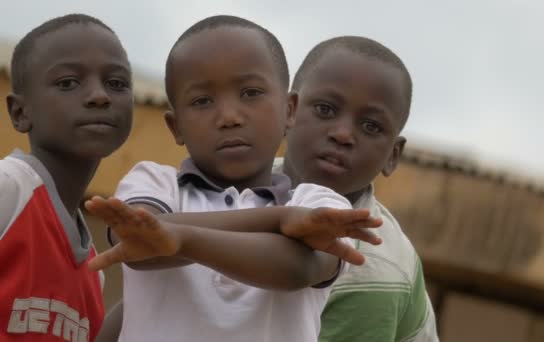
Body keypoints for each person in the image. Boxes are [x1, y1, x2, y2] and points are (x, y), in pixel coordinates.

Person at [87, 15, 383, 342]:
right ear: (176, 127)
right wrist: (280, 219)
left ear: (290, 110)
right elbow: (141, 243)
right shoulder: (153, 182)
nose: (228, 117)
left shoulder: (318, 203)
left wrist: (181, 238)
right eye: (202, 101)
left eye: (251, 92)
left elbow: (296, 270)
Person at [278, 36, 439, 341]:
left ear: (392, 155)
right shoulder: (235, 184)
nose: (342, 134)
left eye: (371, 127)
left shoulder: (374, 269)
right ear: (288, 111)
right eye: (325, 110)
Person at [0, 14, 133, 341]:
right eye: (68, 83)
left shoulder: (93, 271)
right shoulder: (9, 189)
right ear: (20, 113)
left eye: (116, 83)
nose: (99, 96)